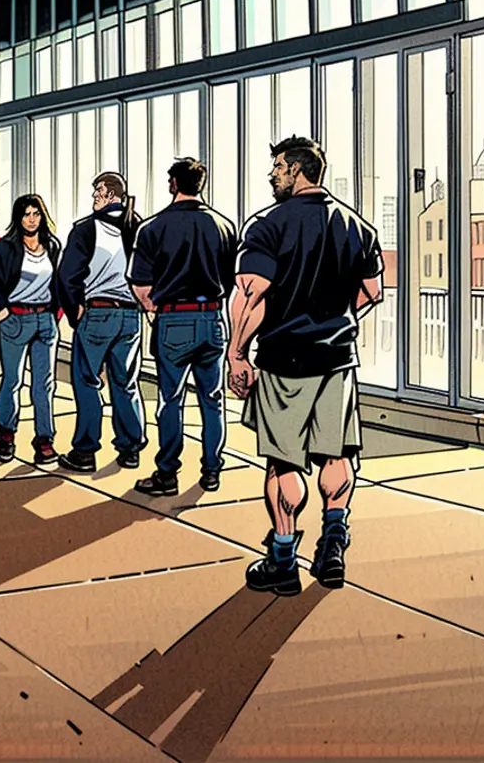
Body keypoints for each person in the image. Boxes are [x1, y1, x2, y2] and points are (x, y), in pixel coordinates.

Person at [229, 137, 383, 597]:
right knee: (336, 455)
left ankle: (282, 559)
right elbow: (372, 292)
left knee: (284, 461)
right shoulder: (358, 228)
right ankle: (333, 545)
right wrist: (334, 317)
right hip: (337, 358)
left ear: (298, 170)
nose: (272, 174)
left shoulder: (267, 226)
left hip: (284, 358)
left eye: (278, 166)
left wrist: (237, 352)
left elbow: (252, 295)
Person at [127, 157, 238, 497]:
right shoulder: (224, 226)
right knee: (212, 399)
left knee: (170, 400)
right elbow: (233, 279)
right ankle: (211, 471)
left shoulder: (152, 227)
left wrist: (153, 309)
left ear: (173, 183)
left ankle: (167, 473)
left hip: (173, 318)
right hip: (213, 319)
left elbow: (141, 285)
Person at [57, 173, 146, 474]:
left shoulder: (85, 229)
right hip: (131, 315)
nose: (94, 196)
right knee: (126, 381)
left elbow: (68, 276)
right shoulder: (140, 226)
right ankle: (131, 447)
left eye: (98, 191)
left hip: (97, 313)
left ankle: (85, 451)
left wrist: (75, 313)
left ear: (110, 195)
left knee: (87, 381)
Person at [0, 195, 62, 466]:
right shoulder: (6, 248)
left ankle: (44, 440)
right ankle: (6, 434)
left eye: (36, 213)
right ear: (18, 218)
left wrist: (56, 315)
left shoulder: (52, 245)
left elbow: (60, 285)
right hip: (15, 319)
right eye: (26, 214)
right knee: (12, 380)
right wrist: (3, 316)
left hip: (45, 322)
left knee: (44, 385)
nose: (31, 219)